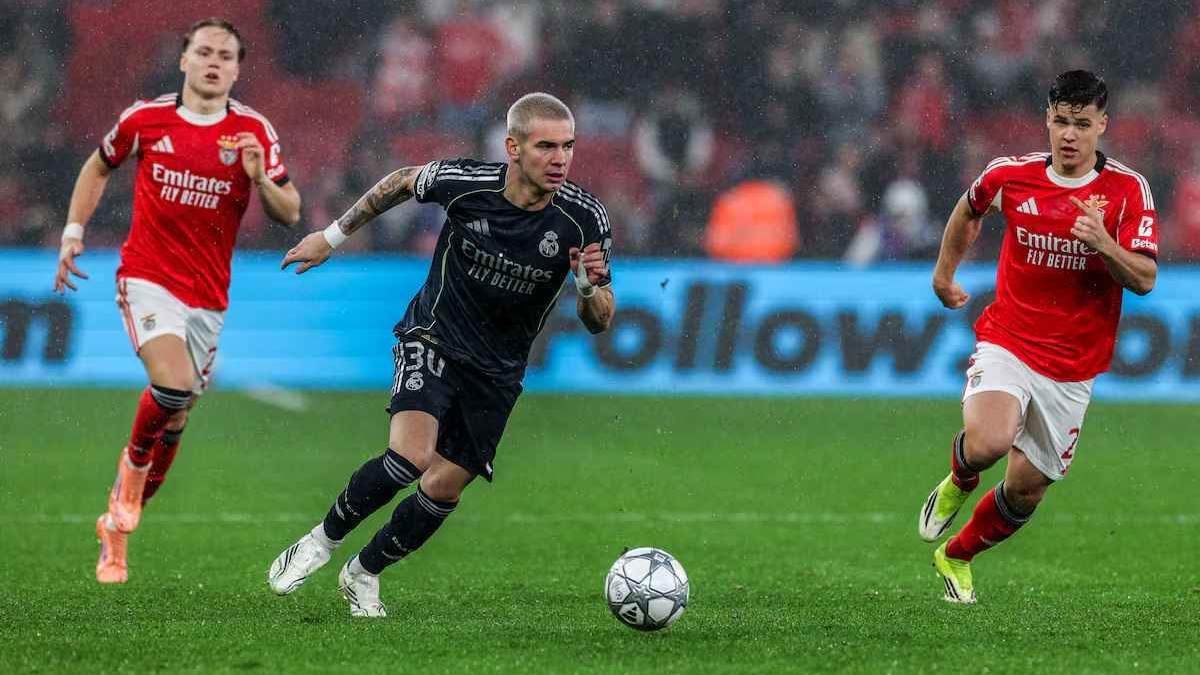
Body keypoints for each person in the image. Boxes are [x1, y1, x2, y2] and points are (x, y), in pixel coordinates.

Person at [266, 92, 615, 617]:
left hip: (499, 369)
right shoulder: (467, 184)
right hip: (434, 335)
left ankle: (363, 573)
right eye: (546, 146)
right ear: (513, 147)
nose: (560, 158)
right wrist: (331, 237)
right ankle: (321, 540)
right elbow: (404, 179)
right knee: (410, 457)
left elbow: (601, 320)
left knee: (444, 488)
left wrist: (587, 288)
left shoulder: (584, 218)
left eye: (568, 146)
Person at [53, 18, 301, 584]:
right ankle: (131, 475)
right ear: (184, 59)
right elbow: (98, 164)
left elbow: (290, 211)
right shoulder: (146, 119)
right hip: (146, 276)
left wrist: (260, 179)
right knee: (172, 384)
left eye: (227, 56)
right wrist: (73, 233)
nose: (215, 62)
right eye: (205, 51)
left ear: (238, 69)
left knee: (177, 418)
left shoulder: (253, 131)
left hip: (209, 298)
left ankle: (115, 530)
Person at [918, 70, 1157, 603]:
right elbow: (970, 208)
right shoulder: (1011, 176)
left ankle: (956, 556)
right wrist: (944, 272)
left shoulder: (1126, 190)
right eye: (1060, 122)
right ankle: (960, 477)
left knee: (1026, 491)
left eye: (1081, 124)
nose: (1069, 135)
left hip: (1073, 365)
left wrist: (1104, 244)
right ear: (1047, 121)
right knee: (988, 442)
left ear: (1102, 126)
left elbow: (1143, 278)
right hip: (1009, 338)